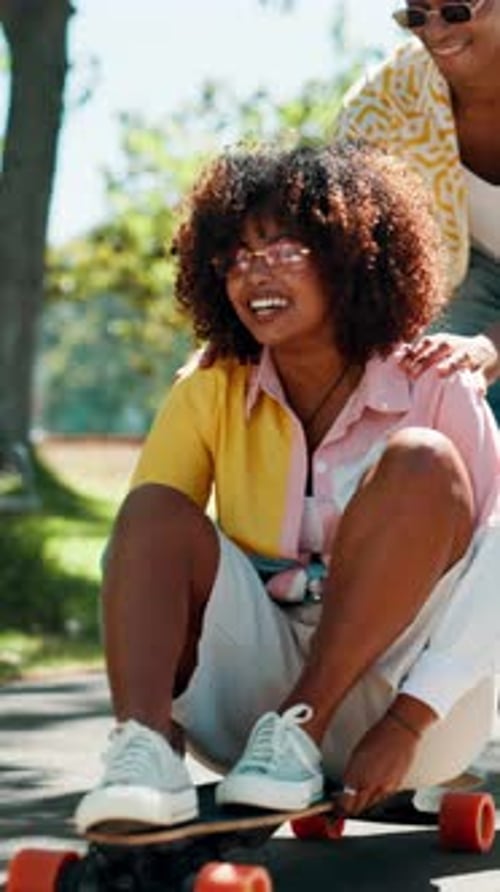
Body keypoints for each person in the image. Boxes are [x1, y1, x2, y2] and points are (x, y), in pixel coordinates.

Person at [75, 141, 500, 834]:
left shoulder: (435, 381)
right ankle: (144, 754)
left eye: (281, 249)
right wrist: (160, 717)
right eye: (235, 256)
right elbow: (139, 562)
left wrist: (407, 721)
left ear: (350, 253)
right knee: (153, 512)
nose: (253, 273)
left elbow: (497, 568)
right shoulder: (210, 389)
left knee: (421, 461)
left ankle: (309, 726)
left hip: (413, 709)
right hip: (254, 722)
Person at [334, 0, 500, 420]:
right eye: (417, 16)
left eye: (457, 11)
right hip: (469, 266)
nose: (437, 32)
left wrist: (489, 347)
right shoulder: (384, 99)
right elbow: (339, 240)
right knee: (432, 377)